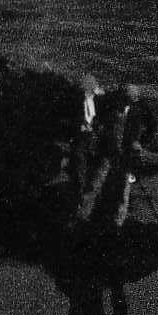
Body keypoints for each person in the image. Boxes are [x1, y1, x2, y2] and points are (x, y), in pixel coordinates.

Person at [85, 81, 156, 231]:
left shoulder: (141, 107)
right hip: (109, 149)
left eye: (129, 99)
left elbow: (152, 126)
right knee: (96, 181)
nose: (125, 102)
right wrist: (98, 132)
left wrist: (141, 143)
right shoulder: (112, 102)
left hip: (127, 153)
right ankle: (84, 215)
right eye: (125, 98)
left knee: (123, 188)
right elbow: (98, 118)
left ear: (135, 98)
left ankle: (117, 222)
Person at [68, 72, 102, 211]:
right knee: (80, 168)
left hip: (92, 137)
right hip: (81, 137)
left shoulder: (96, 100)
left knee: (90, 167)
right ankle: (79, 198)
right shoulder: (77, 101)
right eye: (93, 87)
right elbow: (72, 118)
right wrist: (80, 126)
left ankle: (86, 197)